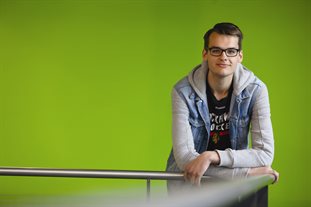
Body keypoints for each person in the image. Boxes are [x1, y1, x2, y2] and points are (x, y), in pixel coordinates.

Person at [166, 22, 279, 191]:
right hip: (190, 184)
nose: (224, 57)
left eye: (231, 51)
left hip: (232, 190)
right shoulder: (183, 92)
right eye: (216, 50)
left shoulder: (256, 90)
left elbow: (265, 154)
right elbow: (184, 159)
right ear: (205, 54)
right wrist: (245, 174)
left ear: (240, 56)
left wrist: (212, 156)